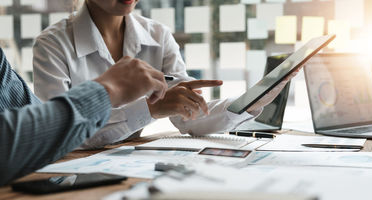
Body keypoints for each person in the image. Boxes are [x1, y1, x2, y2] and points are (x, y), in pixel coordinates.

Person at [33, 0, 295, 149]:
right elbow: (59, 134)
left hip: (131, 167)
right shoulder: (52, 44)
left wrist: (250, 102)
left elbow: (187, 117)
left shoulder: (158, 35)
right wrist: (150, 109)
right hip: (74, 174)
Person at [0, 47, 167, 185]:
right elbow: (57, 137)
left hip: (58, 184)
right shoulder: (52, 44)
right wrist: (106, 91)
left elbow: (53, 138)